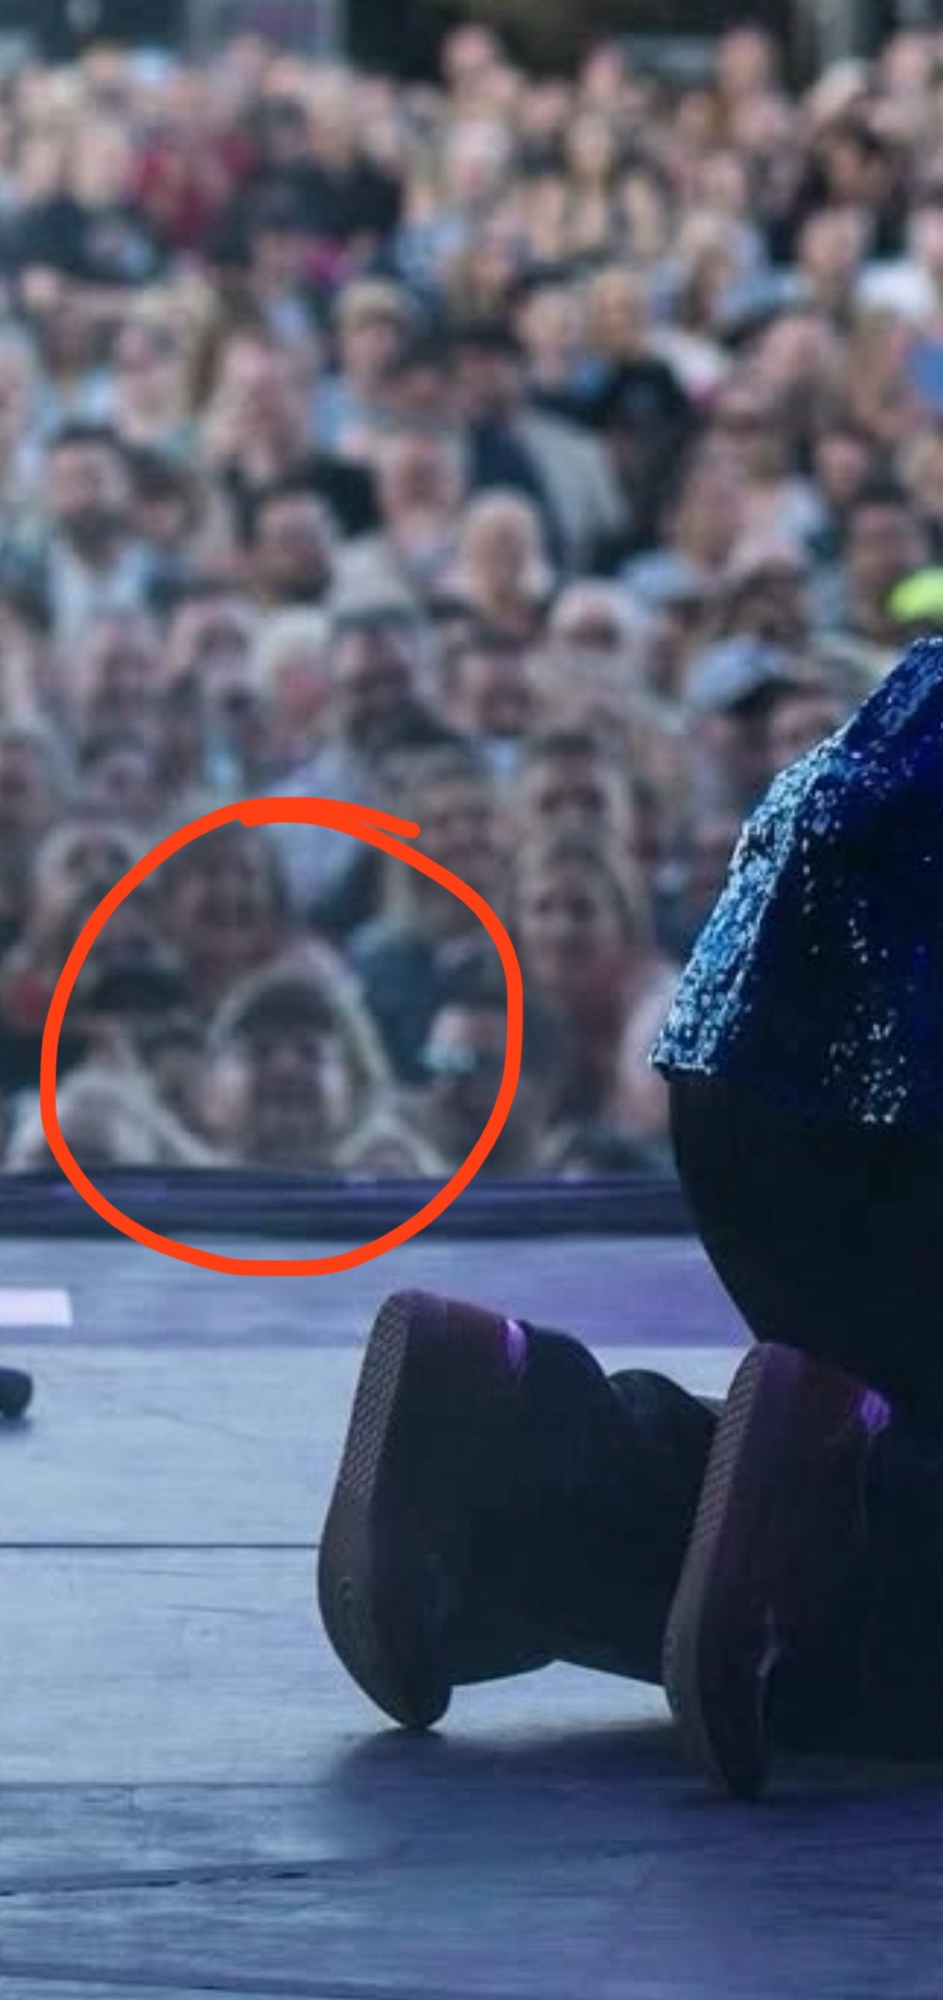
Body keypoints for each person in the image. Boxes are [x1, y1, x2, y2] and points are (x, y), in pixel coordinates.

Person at [316, 636, 943, 1800]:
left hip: (743, 1056)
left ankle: (513, 1436)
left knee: (887, 1438)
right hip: (897, 1095)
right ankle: (820, 1497)